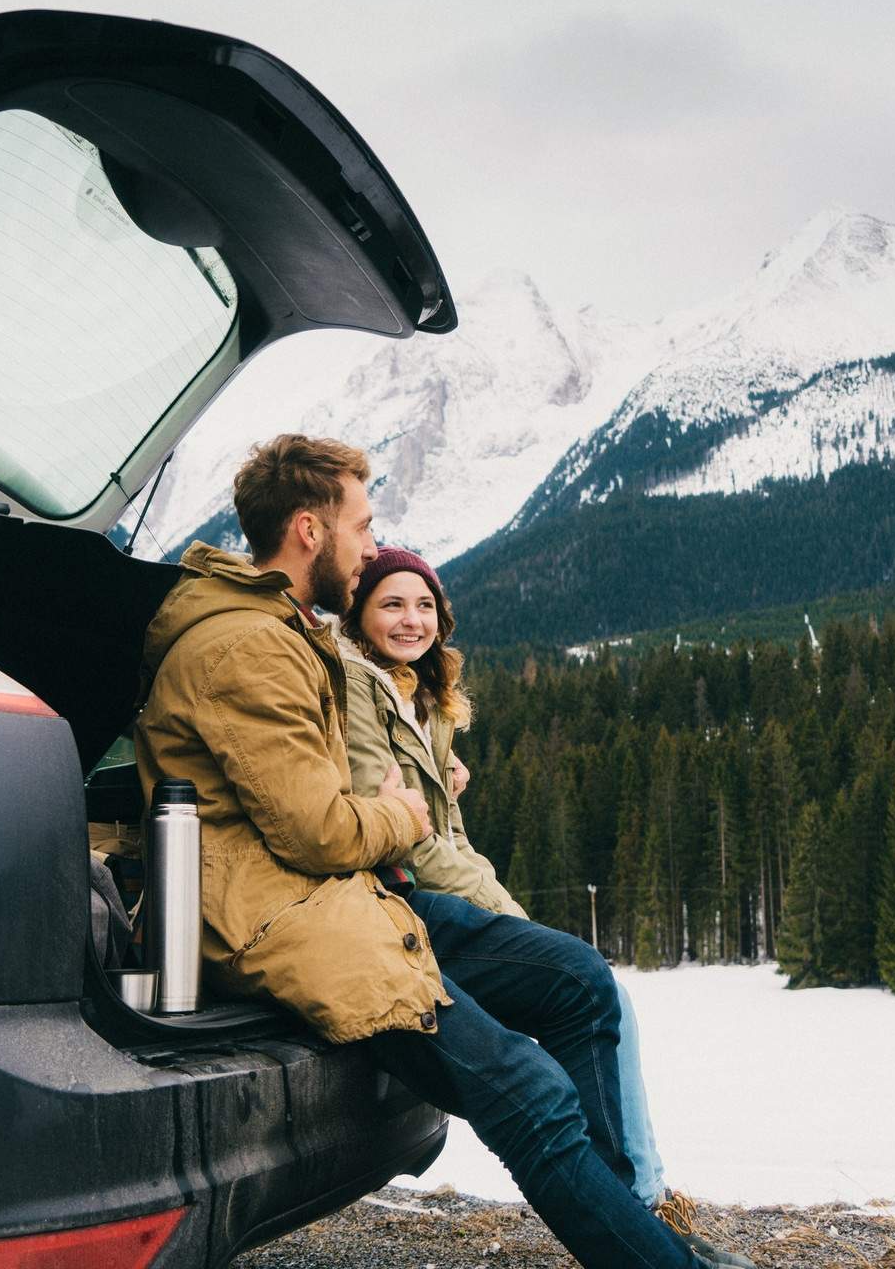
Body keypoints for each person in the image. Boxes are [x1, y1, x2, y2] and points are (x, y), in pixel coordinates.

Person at [132, 434, 720, 1267]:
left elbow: (310, 797)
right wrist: (408, 812)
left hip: (338, 897)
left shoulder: (278, 630)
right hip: (282, 917)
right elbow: (319, 829)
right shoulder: (247, 647)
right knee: (529, 1090)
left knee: (579, 983)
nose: (370, 548)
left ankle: (637, 1235)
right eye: (361, 528)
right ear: (309, 530)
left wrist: (420, 788)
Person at [337, 545, 735, 1264]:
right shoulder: (361, 688)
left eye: (424, 604)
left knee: (592, 984)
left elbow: (443, 834)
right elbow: (408, 838)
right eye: (392, 603)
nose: (411, 619)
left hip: (428, 895)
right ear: (359, 615)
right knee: (566, 1027)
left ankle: (637, 1215)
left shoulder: (420, 699)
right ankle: (641, 1216)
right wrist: (509, 918)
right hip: (394, 905)